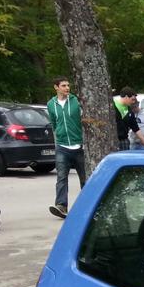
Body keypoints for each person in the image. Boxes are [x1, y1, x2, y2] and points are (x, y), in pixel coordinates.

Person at [45, 77, 87, 219]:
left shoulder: (75, 101)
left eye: (68, 85)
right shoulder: (51, 104)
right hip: (62, 146)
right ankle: (61, 206)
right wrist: (58, 139)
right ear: (56, 87)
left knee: (85, 178)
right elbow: (54, 123)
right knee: (61, 178)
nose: (67, 88)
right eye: (63, 85)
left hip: (78, 145)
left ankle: (88, 205)